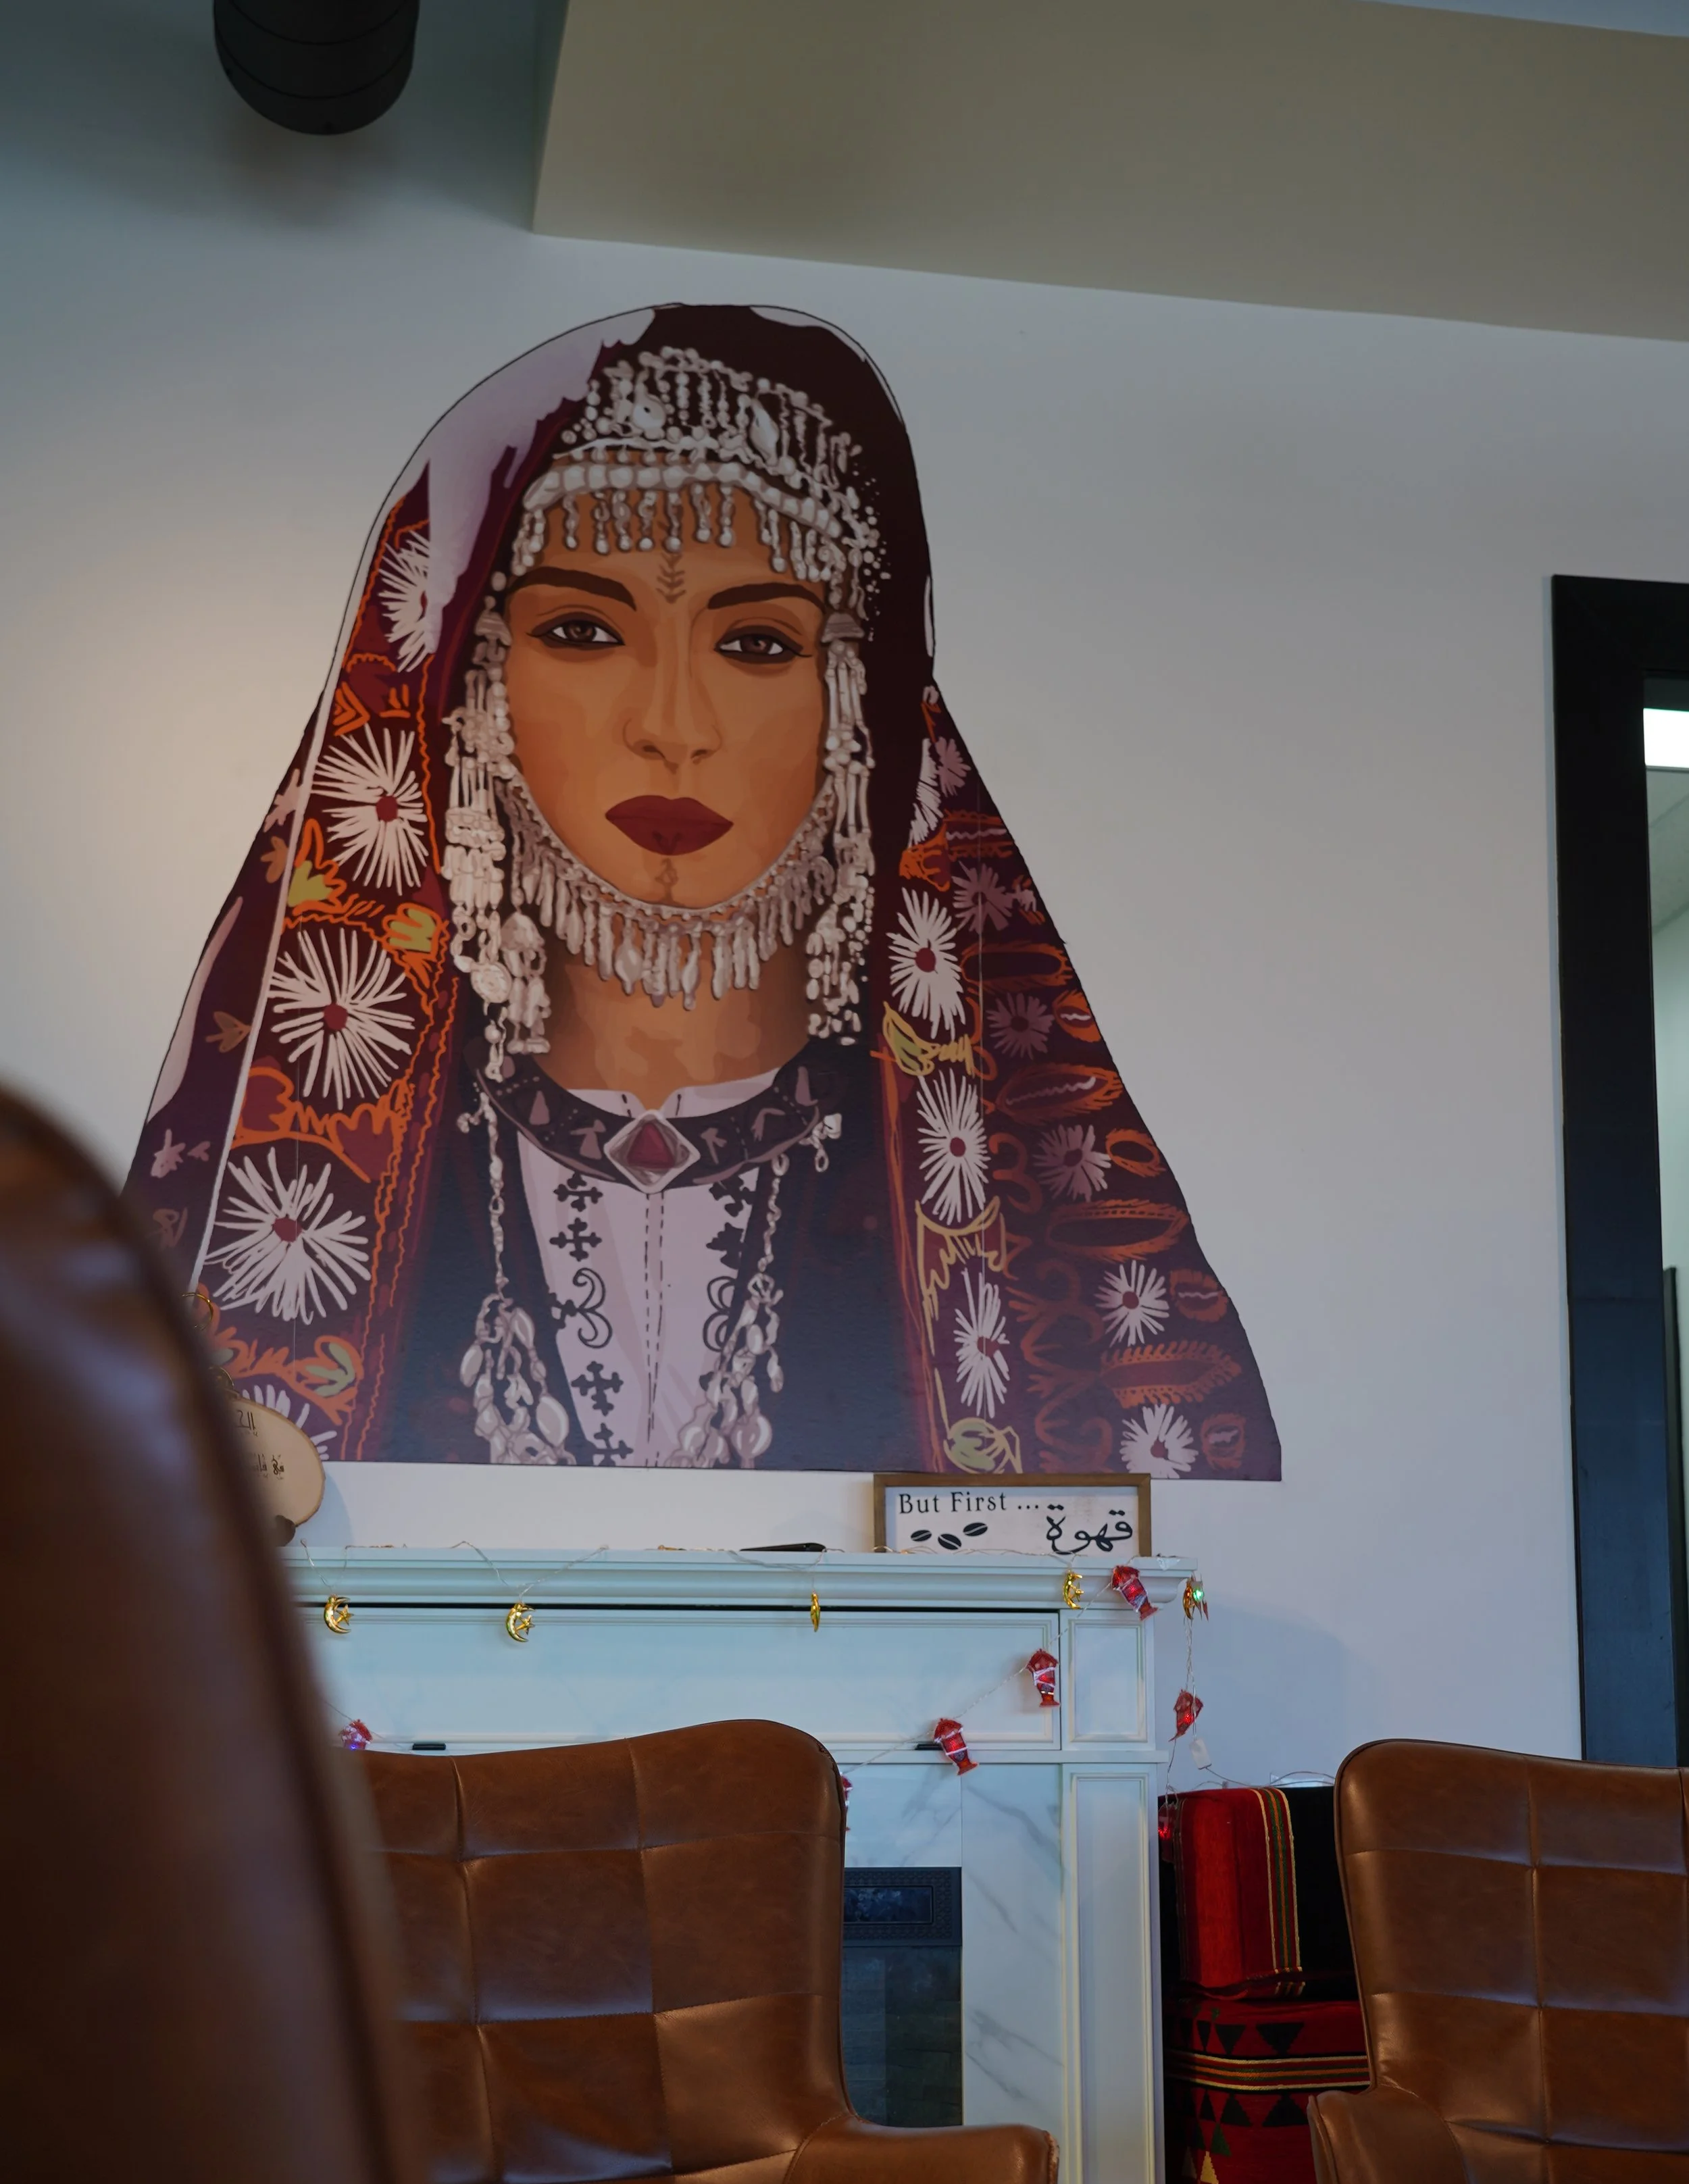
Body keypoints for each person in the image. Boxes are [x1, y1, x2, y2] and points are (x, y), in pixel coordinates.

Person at [130, 303, 1280, 1480]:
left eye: (759, 646)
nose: (671, 729)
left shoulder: (1003, 1221)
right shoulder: (335, 1185)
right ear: (471, 695)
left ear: (859, 712)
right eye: (582, 629)